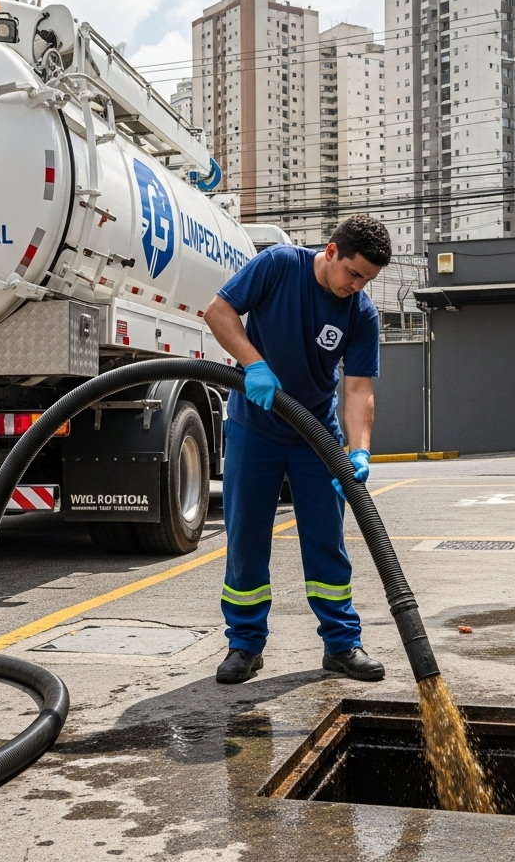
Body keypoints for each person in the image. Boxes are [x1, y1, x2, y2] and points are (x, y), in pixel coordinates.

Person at [203, 215, 391, 684]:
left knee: (327, 540)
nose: (357, 286)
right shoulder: (278, 265)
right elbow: (219, 312)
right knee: (246, 538)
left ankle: (342, 644)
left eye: (367, 280)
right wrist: (254, 365)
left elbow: (357, 389)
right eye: (353, 273)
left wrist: (360, 450)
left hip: (315, 436)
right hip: (254, 427)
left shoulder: (361, 313)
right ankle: (244, 645)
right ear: (331, 252)